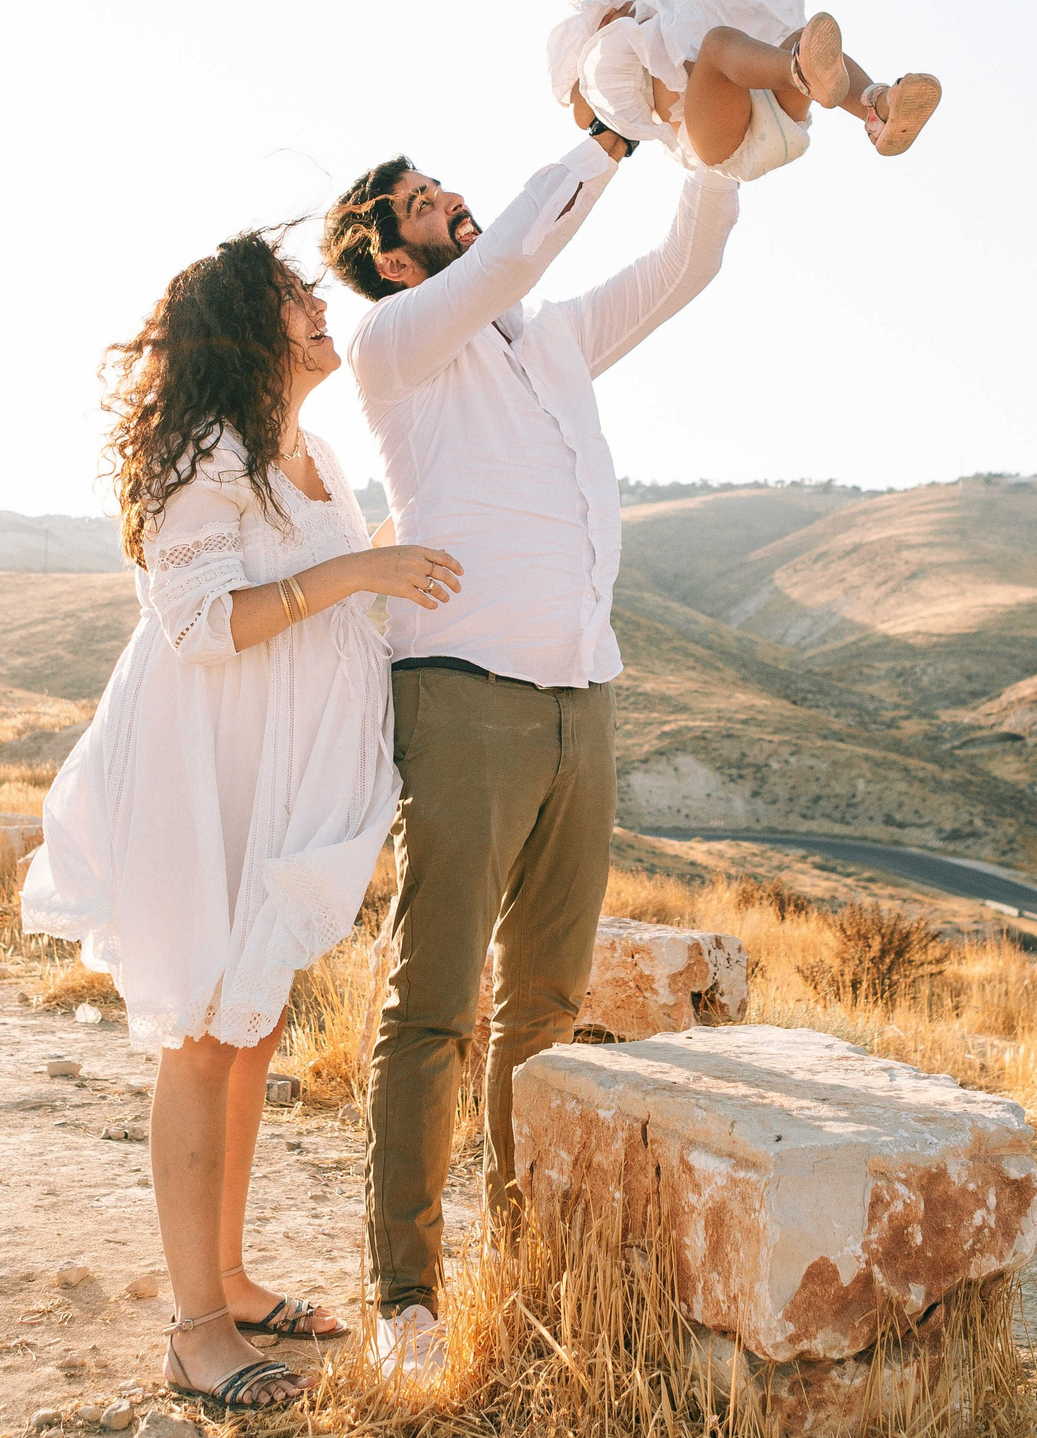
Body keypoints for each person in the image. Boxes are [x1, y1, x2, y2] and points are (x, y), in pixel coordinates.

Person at [319, 117, 739, 1378]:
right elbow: (507, 254)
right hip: (462, 693)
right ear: (392, 258)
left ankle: (525, 1246)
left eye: (443, 185)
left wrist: (709, 144)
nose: (447, 196)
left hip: (579, 697)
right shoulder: (393, 345)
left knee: (546, 1001)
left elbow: (683, 265)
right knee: (435, 1003)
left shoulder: (547, 340)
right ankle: (403, 1295)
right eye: (421, 198)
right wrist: (606, 136)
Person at [20, 232, 465, 1413]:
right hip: (200, 771)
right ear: (244, 333)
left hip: (276, 774)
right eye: (294, 304)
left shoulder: (311, 447)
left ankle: (231, 1275)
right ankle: (195, 1331)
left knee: (253, 1026)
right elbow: (200, 625)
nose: (321, 316)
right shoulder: (204, 451)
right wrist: (365, 573)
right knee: (203, 1033)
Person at [546, 0, 942, 179]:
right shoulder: (587, 27)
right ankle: (803, 72)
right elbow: (585, 113)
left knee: (799, 37)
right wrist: (604, 34)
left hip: (773, 101)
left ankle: (880, 108)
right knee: (716, 45)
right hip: (714, 132)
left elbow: (752, 12)